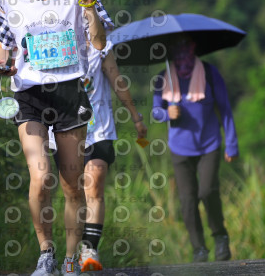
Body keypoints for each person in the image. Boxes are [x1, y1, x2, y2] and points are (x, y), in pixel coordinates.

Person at [0, 0, 113, 276]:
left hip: (70, 92)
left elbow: (99, 42)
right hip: (29, 94)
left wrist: (89, 4)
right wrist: (0, 63)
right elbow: (1, 47)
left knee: (72, 185)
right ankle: (46, 253)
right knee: (40, 177)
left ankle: (71, 259)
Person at [151, 34, 239, 263]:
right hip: (180, 148)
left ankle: (220, 235)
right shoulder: (163, 77)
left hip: (209, 144)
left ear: (194, 48)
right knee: (188, 200)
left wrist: (231, 144)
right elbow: (155, 111)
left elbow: (225, 109)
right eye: (177, 49)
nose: (183, 54)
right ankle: (199, 247)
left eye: (186, 48)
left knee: (207, 191)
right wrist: (166, 113)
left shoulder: (209, 73)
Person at [75, 36, 148, 271]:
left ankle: (89, 249)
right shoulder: (56, 42)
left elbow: (118, 82)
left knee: (94, 185)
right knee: (74, 193)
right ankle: (68, 251)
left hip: (99, 130)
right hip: (66, 130)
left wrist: (136, 118)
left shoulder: (101, 49)